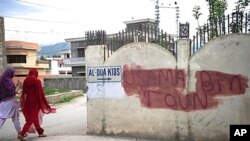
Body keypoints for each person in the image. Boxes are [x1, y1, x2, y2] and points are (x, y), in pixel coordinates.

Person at [18, 69, 56, 141]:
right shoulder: (37, 81)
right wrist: (46, 104)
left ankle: (40, 132)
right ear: (36, 74)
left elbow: (24, 92)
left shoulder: (26, 80)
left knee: (34, 117)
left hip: (28, 101)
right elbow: (41, 94)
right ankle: (22, 134)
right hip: (35, 102)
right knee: (31, 118)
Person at [0, 67, 22, 138]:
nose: (13, 74)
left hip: (3, 102)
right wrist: (18, 87)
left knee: (2, 118)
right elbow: (13, 92)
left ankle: (20, 133)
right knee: (15, 118)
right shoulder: (9, 81)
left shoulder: (1, 80)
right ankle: (19, 133)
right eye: (13, 73)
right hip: (11, 102)